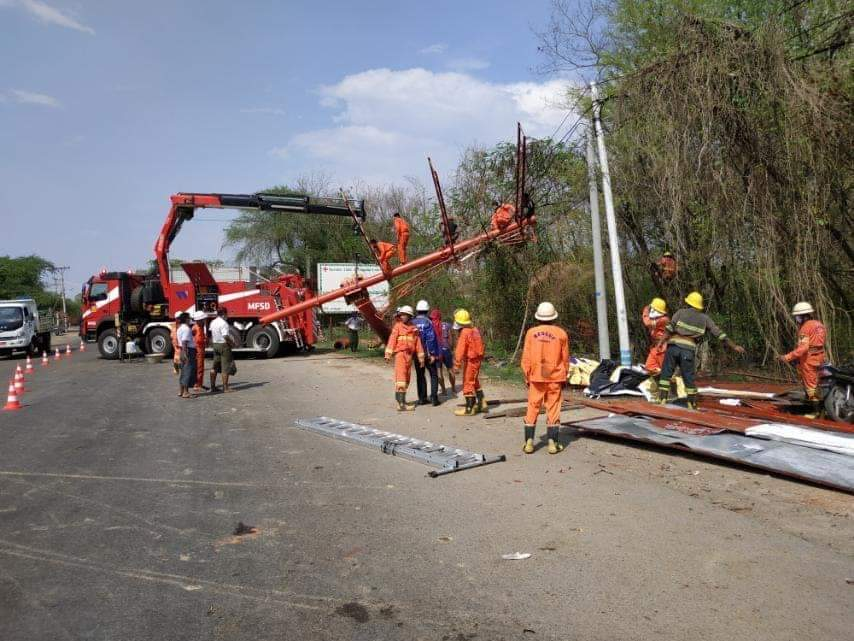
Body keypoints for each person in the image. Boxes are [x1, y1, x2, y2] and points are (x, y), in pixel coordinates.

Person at [657, 292, 745, 409]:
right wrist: (734, 346)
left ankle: (662, 399)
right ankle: (691, 403)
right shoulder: (705, 319)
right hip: (688, 350)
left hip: (673, 347)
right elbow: (719, 334)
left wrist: (660, 342)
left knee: (666, 374)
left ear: (688, 302)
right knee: (688, 377)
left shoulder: (680, 313)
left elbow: (669, 329)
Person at [520, 302, 569, 454]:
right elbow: (565, 358)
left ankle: (529, 442)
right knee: (553, 408)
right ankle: (553, 444)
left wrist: (527, 375)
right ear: (554, 316)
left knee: (533, 407)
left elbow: (526, 357)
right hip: (555, 377)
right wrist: (564, 375)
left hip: (536, 377)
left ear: (538, 317)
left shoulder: (530, 333)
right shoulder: (561, 333)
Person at [780, 301, 827, 416]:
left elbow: (803, 348)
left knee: (810, 386)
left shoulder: (805, 328)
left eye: (797, 316)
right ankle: (815, 406)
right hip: (820, 357)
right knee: (817, 383)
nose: (797, 319)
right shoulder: (819, 324)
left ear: (803, 316)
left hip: (809, 360)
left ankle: (815, 411)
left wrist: (787, 357)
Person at [384, 305, 425, 411]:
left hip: (409, 356)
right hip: (400, 355)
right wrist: (388, 354)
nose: (402, 317)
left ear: (409, 316)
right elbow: (392, 340)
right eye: (401, 315)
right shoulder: (397, 326)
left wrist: (421, 358)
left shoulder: (414, 328)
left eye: (404, 315)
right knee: (401, 379)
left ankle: (402, 401)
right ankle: (401, 404)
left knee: (406, 379)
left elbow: (418, 344)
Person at [452, 308, 486, 416]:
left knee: (468, 382)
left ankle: (469, 408)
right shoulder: (474, 330)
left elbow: (460, 349)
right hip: (476, 359)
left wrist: (457, 364)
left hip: (471, 360)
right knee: (474, 381)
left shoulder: (464, 332)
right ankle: (482, 403)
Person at [412, 299, 442, 406]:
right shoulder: (428, 322)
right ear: (427, 310)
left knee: (420, 375)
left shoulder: (412, 322)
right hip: (428, 353)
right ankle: (434, 398)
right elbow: (430, 338)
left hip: (417, 354)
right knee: (433, 374)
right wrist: (433, 353)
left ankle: (422, 398)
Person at [641, 298, 669, 380]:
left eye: (653, 309)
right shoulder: (657, 318)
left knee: (666, 372)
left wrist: (646, 311)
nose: (651, 310)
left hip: (663, 348)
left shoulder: (664, 320)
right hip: (656, 348)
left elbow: (647, 323)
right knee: (649, 368)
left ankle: (672, 388)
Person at [430, 308, 456, 395]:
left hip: (437, 352)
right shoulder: (447, 325)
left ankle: (444, 391)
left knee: (439, 371)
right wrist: (451, 349)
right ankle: (453, 389)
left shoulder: (430, 326)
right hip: (446, 350)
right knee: (450, 369)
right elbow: (451, 339)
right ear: (440, 317)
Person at [209, 307, 235, 393]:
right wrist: (232, 343)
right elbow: (225, 336)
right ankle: (225, 387)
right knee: (225, 367)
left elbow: (211, 333)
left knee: (214, 366)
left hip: (215, 344)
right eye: (226, 313)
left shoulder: (213, 322)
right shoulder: (224, 323)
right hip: (223, 345)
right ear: (223, 313)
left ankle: (212, 387)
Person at [176, 313, 196, 399]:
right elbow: (185, 342)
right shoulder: (186, 329)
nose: (190, 319)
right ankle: (186, 392)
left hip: (182, 350)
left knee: (183, 372)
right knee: (187, 372)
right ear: (186, 319)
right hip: (187, 351)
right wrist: (185, 354)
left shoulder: (180, 328)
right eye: (189, 318)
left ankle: (181, 391)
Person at [191, 310, 208, 391]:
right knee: (198, 368)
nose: (204, 321)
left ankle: (199, 383)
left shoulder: (200, 327)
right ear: (198, 320)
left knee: (201, 367)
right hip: (197, 350)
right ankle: (197, 384)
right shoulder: (195, 328)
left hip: (201, 350)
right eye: (203, 319)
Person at [170, 310, 183, 375]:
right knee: (177, 355)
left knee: (177, 355)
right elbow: (173, 334)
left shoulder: (177, 325)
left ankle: (176, 368)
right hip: (176, 341)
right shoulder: (176, 325)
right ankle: (176, 368)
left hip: (177, 341)